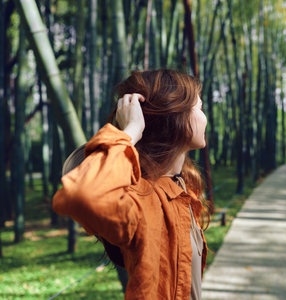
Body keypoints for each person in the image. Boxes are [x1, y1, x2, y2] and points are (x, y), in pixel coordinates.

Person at [52, 69, 209, 300]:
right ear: (175, 116)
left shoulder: (181, 189)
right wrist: (131, 132)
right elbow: (82, 195)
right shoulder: (144, 198)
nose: (205, 117)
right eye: (199, 108)